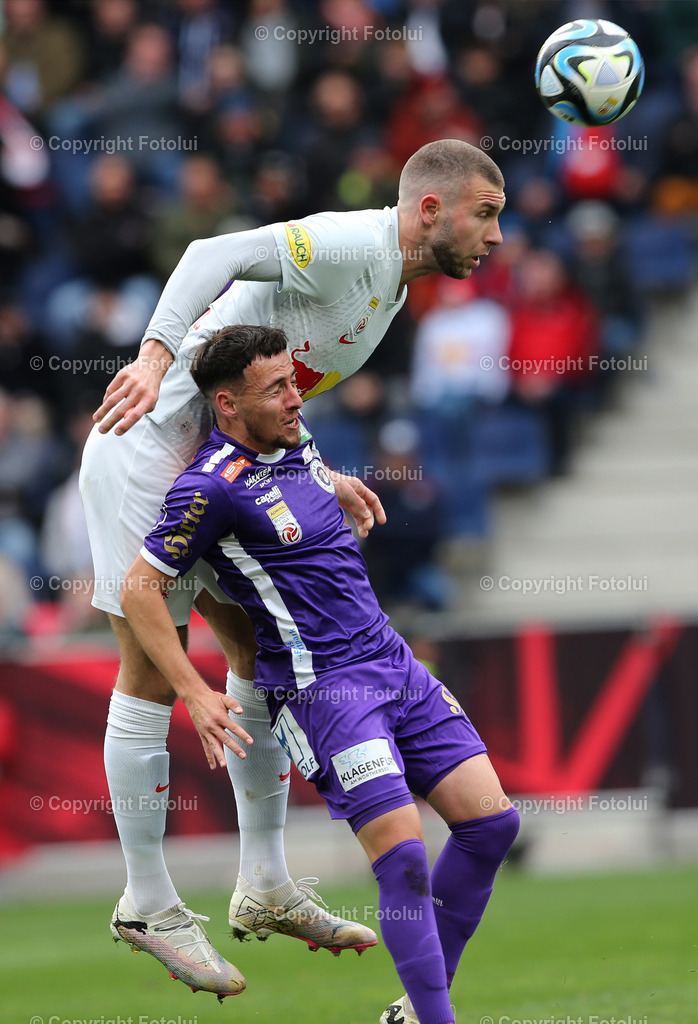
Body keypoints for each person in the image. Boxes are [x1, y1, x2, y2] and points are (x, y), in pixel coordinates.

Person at [79, 138, 506, 994]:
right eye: (486, 214)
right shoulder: (353, 245)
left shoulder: (391, 291)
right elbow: (212, 251)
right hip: (146, 445)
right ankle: (148, 899)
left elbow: (281, 389)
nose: (496, 236)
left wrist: (316, 470)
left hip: (220, 463)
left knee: (254, 645)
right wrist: (157, 354)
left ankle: (265, 881)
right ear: (431, 209)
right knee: (154, 669)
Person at [120, 323, 520, 1021]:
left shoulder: (297, 443)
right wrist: (193, 690)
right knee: (403, 859)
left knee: (492, 826)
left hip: (392, 660)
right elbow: (138, 590)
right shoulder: (209, 490)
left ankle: (418, 1009)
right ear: (227, 404)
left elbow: (299, 481)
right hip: (323, 691)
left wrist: (335, 482)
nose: (296, 397)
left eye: (293, 380)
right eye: (276, 387)